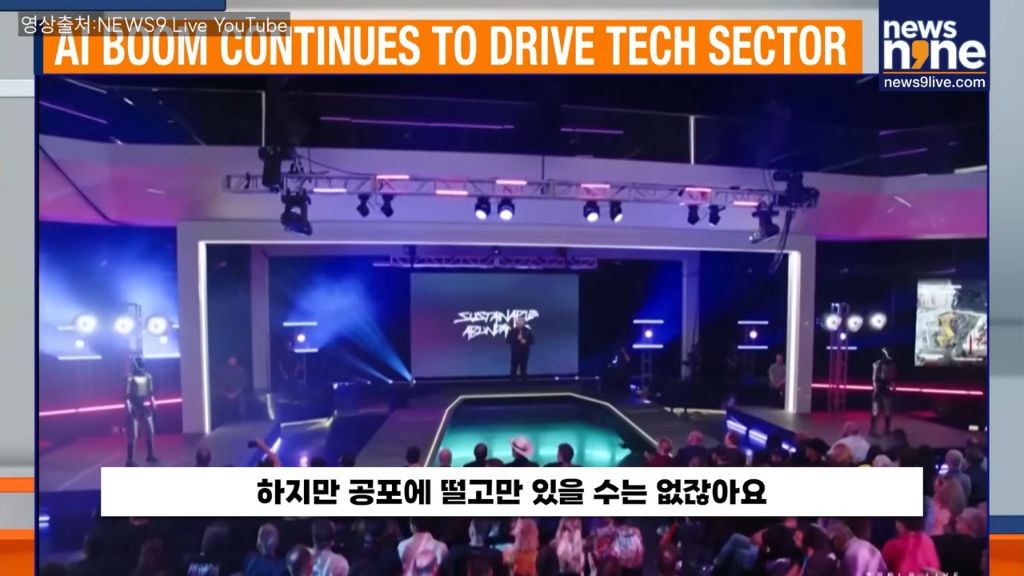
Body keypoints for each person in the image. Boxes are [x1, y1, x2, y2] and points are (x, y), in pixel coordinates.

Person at [125, 356, 158, 466]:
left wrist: (153, 406)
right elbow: (127, 396)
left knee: (149, 431)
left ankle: (150, 455)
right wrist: (129, 410)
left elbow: (151, 393)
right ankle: (129, 460)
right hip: (133, 406)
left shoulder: (148, 377)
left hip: (143, 406)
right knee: (132, 435)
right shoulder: (130, 378)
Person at [870, 348, 896, 436]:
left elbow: (892, 378)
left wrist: (892, 386)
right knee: (876, 411)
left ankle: (886, 429)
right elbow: (875, 379)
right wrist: (877, 388)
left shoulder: (890, 364)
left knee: (886, 411)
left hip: (884, 390)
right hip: (879, 390)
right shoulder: (877, 364)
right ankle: (873, 430)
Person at [506, 316, 535, 385]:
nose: (520, 323)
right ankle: (512, 385)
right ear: (516, 322)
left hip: (524, 354)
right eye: (519, 321)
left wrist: (525, 341)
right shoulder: (512, 331)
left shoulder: (528, 331)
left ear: (524, 322)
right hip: (515, 353)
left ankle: (524, 386)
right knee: (513, 369)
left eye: (521, 321)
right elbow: (508, 341)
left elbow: (532, 341)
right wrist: (516, 339)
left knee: (523, 369)